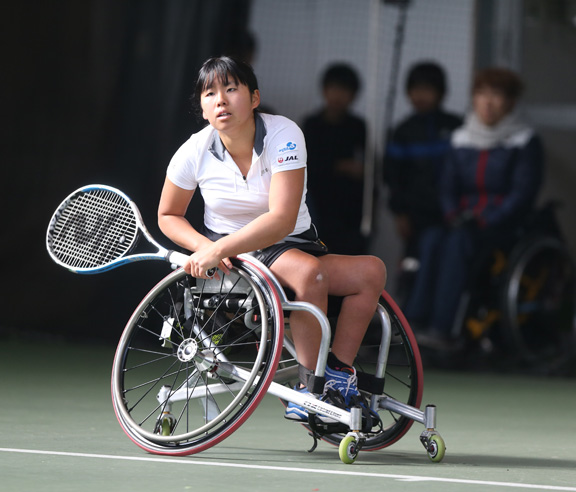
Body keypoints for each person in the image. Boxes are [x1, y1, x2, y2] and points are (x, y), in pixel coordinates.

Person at [158, 56, 386, 422]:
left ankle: (338, 377)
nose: (221, 100)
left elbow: (281, 220)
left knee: (370, 272)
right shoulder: (193, 151)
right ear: (202, 108)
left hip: (288, 242)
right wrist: (206, 247)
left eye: (231, 89)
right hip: (239, 260)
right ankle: (309, 391)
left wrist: (218, 249)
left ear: (254, 98)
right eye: (210, 93)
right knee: (310, 274)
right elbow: (168, 216)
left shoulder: (284, 134)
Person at [408, 67, 544, 346]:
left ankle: (441, 328)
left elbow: (522, 194)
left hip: (502, 228)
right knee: (432, 238)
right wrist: (452, 214)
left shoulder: (525, 141)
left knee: (458, 243)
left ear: (511, 102)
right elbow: (447, 187)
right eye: (481, 94)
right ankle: (412, 324)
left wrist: (486, 219)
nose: (488, 102)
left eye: (496, 95)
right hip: (462, 221)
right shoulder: (462, 138)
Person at [383, 61, 462, 307]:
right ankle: (407, 318)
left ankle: (435, 317)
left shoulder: (456, 127)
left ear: (441, 92)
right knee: (412, 265)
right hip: (415, 216)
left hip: (451, 214)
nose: (421, 96)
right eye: (415, 89)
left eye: (428, 89)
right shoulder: (403, 131)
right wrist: (400, 214)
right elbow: (393, 178)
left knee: (445, 265)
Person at [302, 63, 367, 255]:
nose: (338, 96)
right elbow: (304, 164)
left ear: (354, 95)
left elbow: (370, 168)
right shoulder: (312, 125)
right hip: (317, 204)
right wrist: (341, 167)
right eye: (333, 89)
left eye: (345, 90)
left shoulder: (359, 127)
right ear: (324, 90)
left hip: (350, 208)